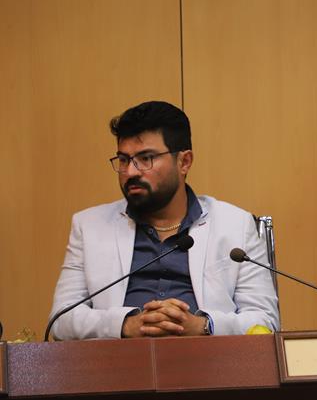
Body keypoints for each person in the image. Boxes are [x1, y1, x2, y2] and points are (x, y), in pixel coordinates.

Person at [48, 101, 279, 340]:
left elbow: (265, 321)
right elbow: (61, 321)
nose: (131, 172)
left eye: (146, 158)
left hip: (208, 359)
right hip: (118, 360)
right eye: (124, 160)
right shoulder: (89, 226)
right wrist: (125, 325)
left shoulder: (236, 225)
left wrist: (203, 326)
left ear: (184, 162)